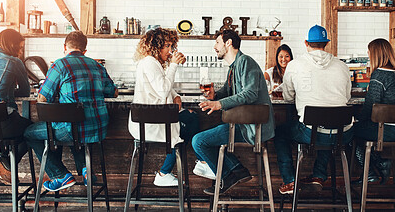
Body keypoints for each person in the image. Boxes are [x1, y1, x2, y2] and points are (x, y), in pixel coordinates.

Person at [24, 31, 118, 192]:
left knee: (29, 133)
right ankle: (86, 170)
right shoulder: (97, 65)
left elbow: (42, 97)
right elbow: (114, 92)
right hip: (98, 128)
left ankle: (60, 175)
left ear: (64, 46)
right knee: (76, 130)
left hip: (72, 130)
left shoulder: (60, 65)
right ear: (85, 50)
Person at [191, 29, 275, 195]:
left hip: (252, 128)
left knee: (198, 141)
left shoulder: (245, 62)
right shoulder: (233, 67)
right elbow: (229, 92)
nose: (215, 47)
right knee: (205, 140)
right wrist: (215, 96)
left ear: (228, 43)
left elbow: (250, 94)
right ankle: (236, 171)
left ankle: (227, 176)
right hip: (242, 125)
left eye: (217, 42)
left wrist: (219, 104)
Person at [128, 27, 215, 187]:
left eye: (171, 46)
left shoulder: (152, 63)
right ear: (156, 46)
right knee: (185, 127)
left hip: (154, 118)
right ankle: (167, 171)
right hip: (151, 124)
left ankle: (188, 166)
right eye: (167, 46)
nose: (170, 50)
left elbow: (161, 85)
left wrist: (176, 95)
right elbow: (162, 90)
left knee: (190, 117)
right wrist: (174, 65)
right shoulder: (149, 62)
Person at [275, 25, 353, 195]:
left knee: (280, 133)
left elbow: (288, 98)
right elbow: (346, 98)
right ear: (326, 43)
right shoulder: (342, 66)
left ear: (306, 43)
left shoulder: (294, 65)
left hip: (311, 133)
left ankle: (290, 181)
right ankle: (318, 175)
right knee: (330, 127)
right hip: (343, 133)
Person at [351, 38, 395, 185]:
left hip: (385, 131)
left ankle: (370, 172)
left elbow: (370, 107)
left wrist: (356, 121)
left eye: (369, 52)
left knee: (349, 133)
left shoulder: (379, 76)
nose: (368, 55)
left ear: (375, 54)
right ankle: (382, 163)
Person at [0, 29, 32, 184]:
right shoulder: (13, 62)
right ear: (12, 44)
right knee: (35, 132)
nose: (21, 50)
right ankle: (3, 160)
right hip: (3, 123)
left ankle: (4, 163)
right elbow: (25, 91)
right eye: (20, 46)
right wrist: (10, 90)